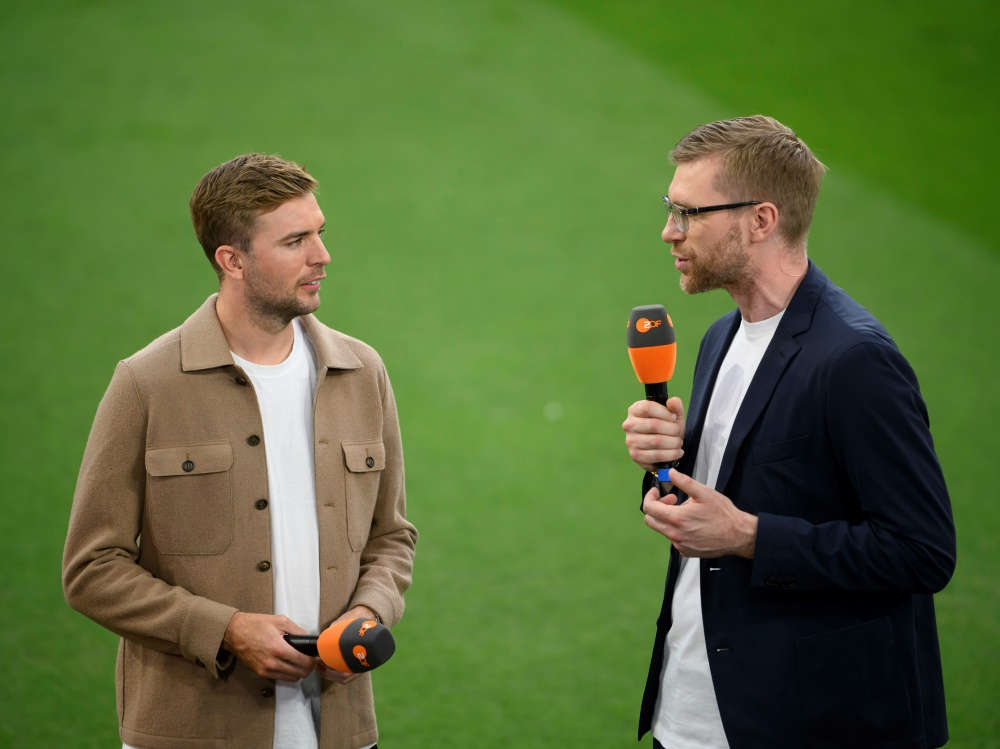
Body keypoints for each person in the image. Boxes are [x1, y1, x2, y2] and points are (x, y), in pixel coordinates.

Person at [63, 153, 417, 749]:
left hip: (340, 730)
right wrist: (225, 631)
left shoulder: (362, 372)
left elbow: (391, 536)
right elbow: (91, 571)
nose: (322, 256)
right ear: (232, 261)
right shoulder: (147, 383)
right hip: (192, 732)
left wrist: (372, 611)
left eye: (320, 234)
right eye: (295, 241)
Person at [622, 116, 955, 749]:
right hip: (690, 712)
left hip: (803, 723)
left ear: (761, 220)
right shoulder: (722, 336)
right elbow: (740, 492)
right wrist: (663, 464)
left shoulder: (854, 359)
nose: (669, 231)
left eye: (689, 213)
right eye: (671, 209)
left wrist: (747, 536)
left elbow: (922, 552)